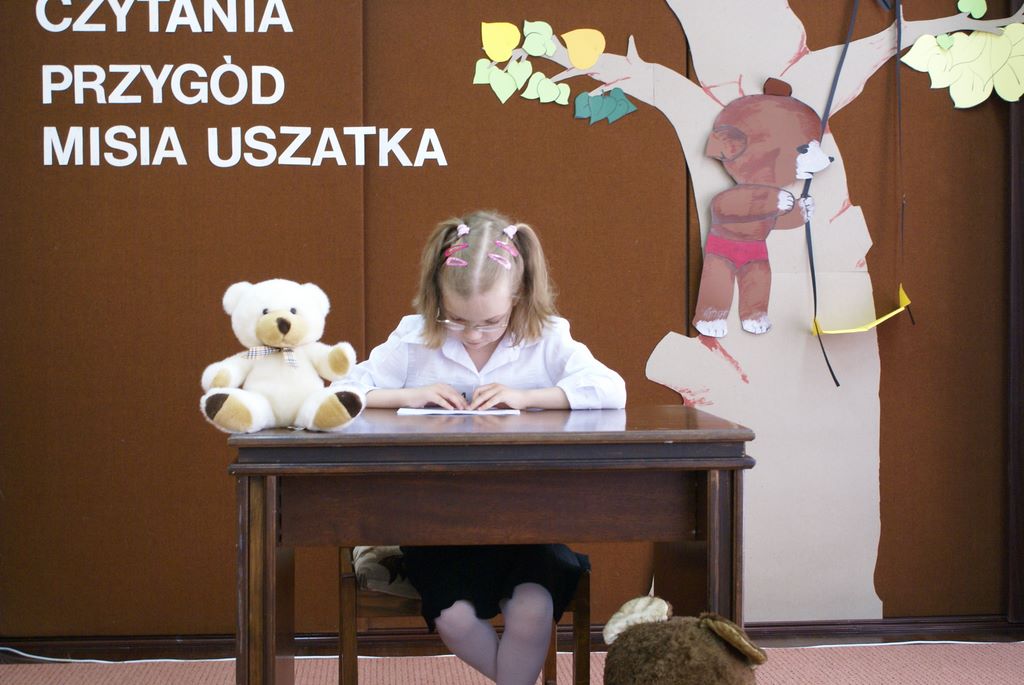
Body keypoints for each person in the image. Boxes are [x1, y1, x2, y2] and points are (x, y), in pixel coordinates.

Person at [334, 209, 626, 685]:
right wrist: (407, 396)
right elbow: (339, 394)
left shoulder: (547, 337)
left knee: (533, 609)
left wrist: (528, 397)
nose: (473, 334)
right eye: (457, 320)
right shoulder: (414, 338)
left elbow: (612, 390)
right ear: (436, 297)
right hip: (436, 526)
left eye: (491, 321)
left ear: (519, 296)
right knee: (454, 619)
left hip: (525, 523)